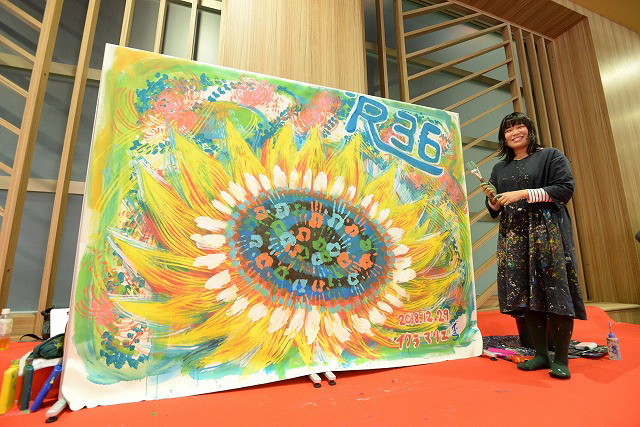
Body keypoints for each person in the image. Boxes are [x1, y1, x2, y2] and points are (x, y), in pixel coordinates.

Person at [481, 112, 586, 379]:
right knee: (526, 295)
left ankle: (560, 359)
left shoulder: (550, 155)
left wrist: (523, 194)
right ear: (503, 137)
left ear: (530, 130)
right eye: (508, 130)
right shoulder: (499, 168)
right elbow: (495, 209)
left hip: (547, 233)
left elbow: (564, 189)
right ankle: (540, 354)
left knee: (555, 290)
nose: (515, 132)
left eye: (520, 127)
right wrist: (493, 200)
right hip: (514, 236)